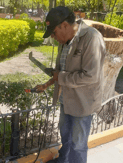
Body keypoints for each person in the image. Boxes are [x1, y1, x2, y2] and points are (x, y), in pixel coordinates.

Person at [34, 6, 106, 163]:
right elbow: (59, 72)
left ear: (64, 25)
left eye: (54, 33)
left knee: (78, 145)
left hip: (82, 104)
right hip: (66, 101)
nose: (53, 37)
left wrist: (61, 77)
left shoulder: (91, 38)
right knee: (66, 139)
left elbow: (91, 76)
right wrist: (47, 84)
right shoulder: (64, 40)